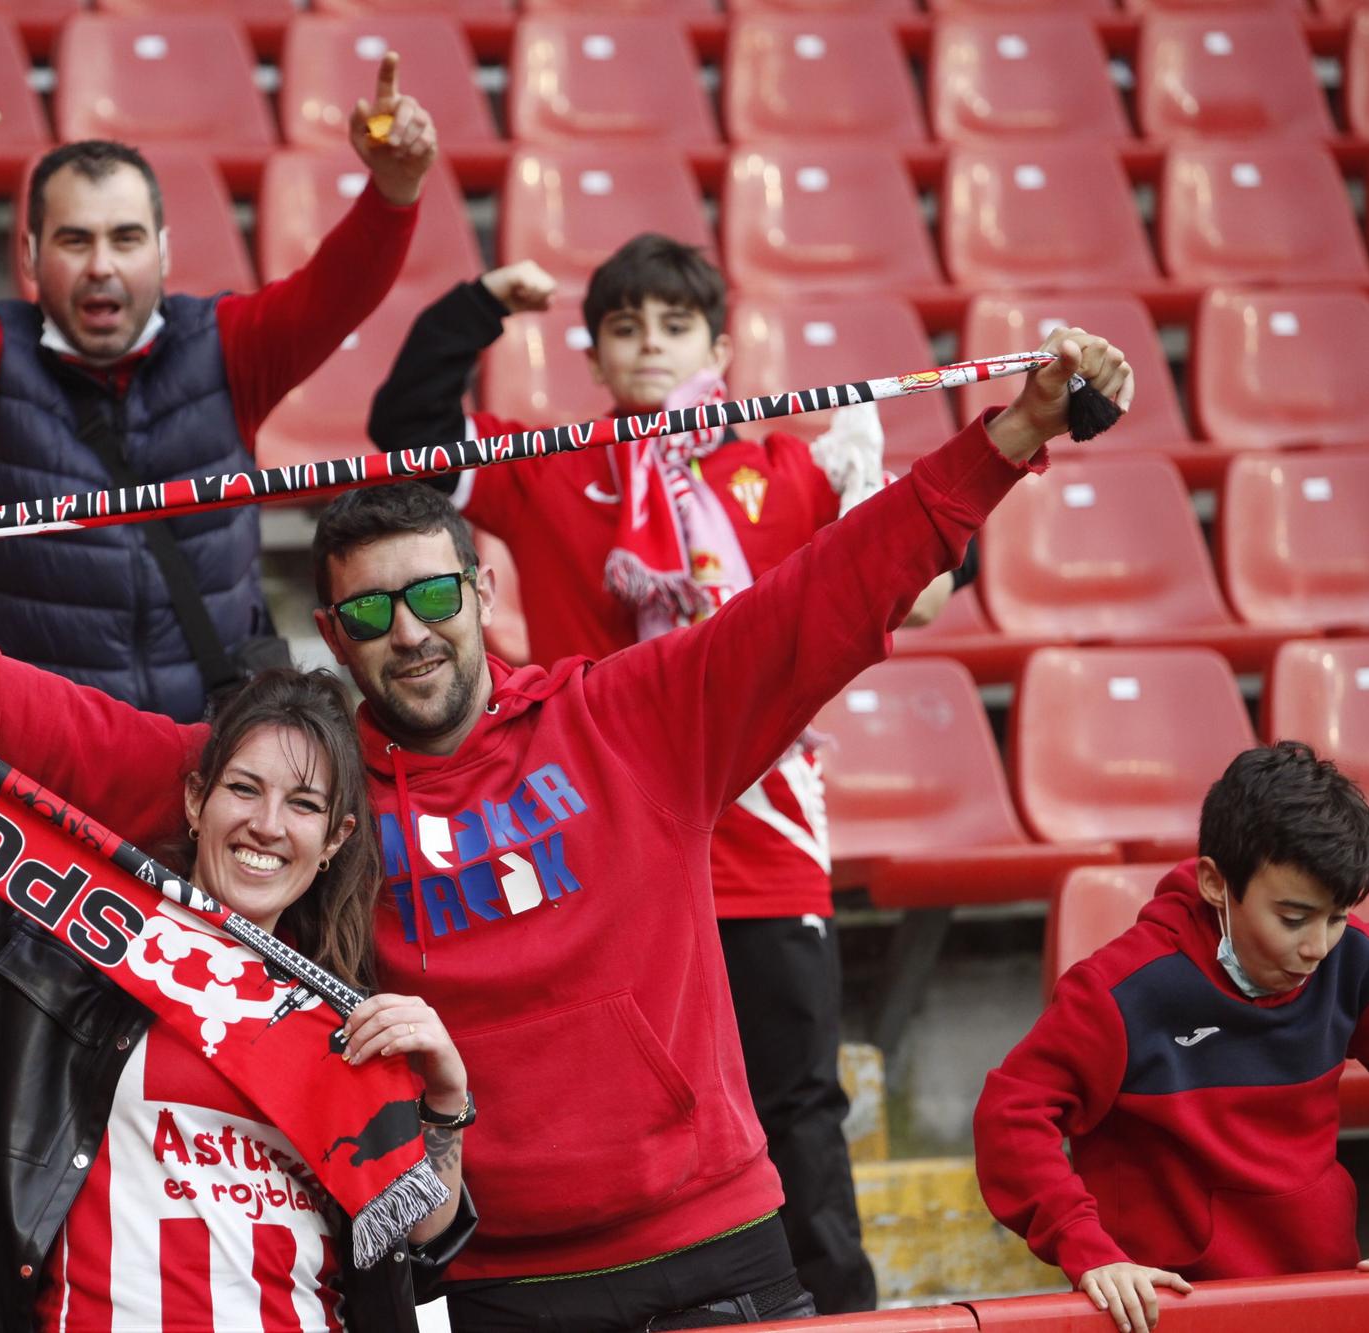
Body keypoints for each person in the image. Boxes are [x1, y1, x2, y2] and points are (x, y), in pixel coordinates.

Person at [0, 323, 1130, 1329]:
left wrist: (1008, 437)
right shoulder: (310, 788)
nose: (404, 634)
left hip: (712, 1250)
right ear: (334, 638)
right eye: (363, 612)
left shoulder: (640, 713)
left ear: (480, 588)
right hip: (486, 1280)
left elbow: (839, 588)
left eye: (428, 597)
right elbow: (64, 734)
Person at [363, 236, 956, 1313]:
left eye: (671, 326)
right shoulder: (550, 462)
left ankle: (835, 1315)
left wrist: (871, 483)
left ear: (718, 345)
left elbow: (918, 591)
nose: (647, 348)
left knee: (799, 1106)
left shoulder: (786, 467)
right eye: (624, 327)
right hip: (607, 847)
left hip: (763, 837)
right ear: (594, 354)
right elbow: (404, 440)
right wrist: (473, 310)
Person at [0, 657, 477, 1332]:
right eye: (244, 788)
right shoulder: (57, 953)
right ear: (196, 799)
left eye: (303, 805)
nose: (268, 824)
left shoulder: (342, 1021)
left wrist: (444, 1100)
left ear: (334, 839)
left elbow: (420, 1245)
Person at [0, 35, 437, 720]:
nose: (102, 264)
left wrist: (394, 190)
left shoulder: (226, 347)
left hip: (210, 754)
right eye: (76, 240)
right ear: (30, 255)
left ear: (161, 252)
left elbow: (339, 289)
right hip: (31, 758)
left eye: (126, 238)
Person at [974, 741, 1369, 1333]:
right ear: (1214, 884)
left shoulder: (1359, 962)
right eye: (1294, 918)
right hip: (1166, 1313)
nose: (1316, 948)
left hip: (1323, 1294)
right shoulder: (1122, 989)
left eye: (1337, 917)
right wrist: (1087, 1246)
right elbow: (1011, 1115)